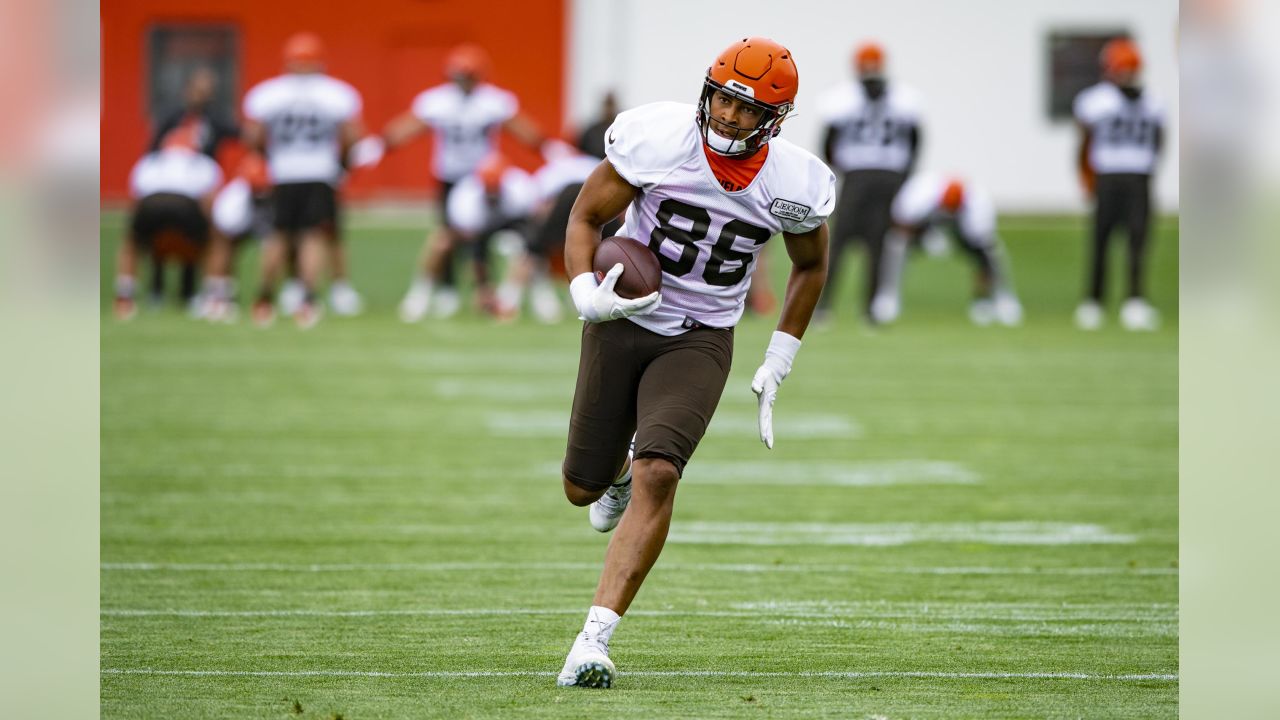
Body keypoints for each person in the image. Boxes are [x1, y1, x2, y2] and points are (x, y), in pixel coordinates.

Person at [554, 37, 834, 689]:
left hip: (700, 335)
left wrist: (780, 355)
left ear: (776, 120)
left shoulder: (793, 181)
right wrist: (581, 291)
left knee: (661, 471)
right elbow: (586, 215)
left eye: (747, 108)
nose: (731, 117)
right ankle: (612, 475)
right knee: (581, 488)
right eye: (725, 100)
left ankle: (592, 640)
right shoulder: (658, 138)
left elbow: (812, 264)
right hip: (621, 320)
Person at [378, 44, 545, 321]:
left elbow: (523, 129)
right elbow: (407, 127)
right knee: (449, 237)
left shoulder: (493, 102)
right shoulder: (437, 101)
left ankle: (508, 294)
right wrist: (381, 144)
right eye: (460, 75)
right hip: (454, 180)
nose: (464, 80)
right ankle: (448, 290)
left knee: (519, 240)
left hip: (487, 177)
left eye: (468, 75)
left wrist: (546, 146)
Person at [241, 32, 370, 328]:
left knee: (278, 235)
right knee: (314, 236)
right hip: (319, 170)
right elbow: (352, 136)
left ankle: (264, 298)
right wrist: (342, 165)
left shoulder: (268, 93)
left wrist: (271, 158)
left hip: (283, 171)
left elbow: (253, 136)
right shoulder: (337, 93)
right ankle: (308, 299)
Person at [814, 41, 922, 324]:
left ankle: (823, 306)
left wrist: (838, 170)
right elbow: (915, 141)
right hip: (890, 175)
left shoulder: (840, 97)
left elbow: (828, 141)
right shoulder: (906, 97)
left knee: (838, 242)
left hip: (857, 173)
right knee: (878, 244)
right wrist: (904, 175)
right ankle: (871, 310)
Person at [1072, 37, 1165, 331]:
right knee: (1101, 240)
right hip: (1109, 175)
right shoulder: (1095, 100)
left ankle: (1134, 301)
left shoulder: (1153, 102)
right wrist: (1086, 176)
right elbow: (1084, 143)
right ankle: (1094, 301)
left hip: (1138, 175)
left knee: (1138, 241)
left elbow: (1159, 141)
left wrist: (1150, 169)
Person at [870, 173, 1023, 326]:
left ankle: (996, 299)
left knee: (992, 253)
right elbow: (901, 224)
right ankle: (888, 297)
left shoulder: (979, 204)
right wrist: (926, 237)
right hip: (925, 226)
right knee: (896, 243)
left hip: (961, 228)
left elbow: (981, 243)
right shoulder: (919, 193)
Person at [114, 126, 223, 319]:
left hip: (152, 201)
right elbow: (209, 204)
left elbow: (137, 201)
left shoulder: (149, 161)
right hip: (185, 201)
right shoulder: (204, 163)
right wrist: (202, 234)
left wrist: (140, 232)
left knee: (132, 242)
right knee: (213, 242)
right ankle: (213, 298)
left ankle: (125, 297)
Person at [442, 152, 540, 316]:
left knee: (529, 246)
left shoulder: (521, 189)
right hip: (480, 230)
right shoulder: (466, 199)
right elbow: (471, 244)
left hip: (513, 223)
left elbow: (533, 225)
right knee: (445, 242)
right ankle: (480, 296)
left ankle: (509, 298)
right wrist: (482, 285)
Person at [576, 92, 619, 160]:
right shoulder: (591, 132)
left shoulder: (621, 129)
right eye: (607, 105)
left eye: (611, 105)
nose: (609, 109)